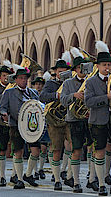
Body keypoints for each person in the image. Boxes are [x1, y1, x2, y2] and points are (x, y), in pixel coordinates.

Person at [85, 41, 111, 196]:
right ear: (97, 66)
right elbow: (88, 101)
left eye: (109, 65)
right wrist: (107, 97)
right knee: (100, 151)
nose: (107, 68)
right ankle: (102, 183)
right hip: (98, 120)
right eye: (104, 65)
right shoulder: (90, 82)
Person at [39, 52, 77, 190]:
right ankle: (56, 179)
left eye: (65, 72)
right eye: (60, 72)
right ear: (55, 72)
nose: (62, 74)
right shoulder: (51, 83)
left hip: (69, 118)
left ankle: (69, 176)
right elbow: (42, 96)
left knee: (74, 147)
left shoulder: (71, 84)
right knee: (56, 150)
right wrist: (58, 95)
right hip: (55, 121)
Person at [0, 66, 40, 189]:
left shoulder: (33, 92)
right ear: (16, 80)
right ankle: (20, 179)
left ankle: (28, 174)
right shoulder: (9, 92)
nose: (23, 80)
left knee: (36, 151)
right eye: (21, 78)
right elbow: (2, 107)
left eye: (25, 78)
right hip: (16, 125)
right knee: (18, 152)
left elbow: (38, 107)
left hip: (32, 126)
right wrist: (4, 114)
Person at [61, 48, 92, 193]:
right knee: (77, 150)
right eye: (79, 67)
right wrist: (74, 95)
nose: (82, 69)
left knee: (94, 148)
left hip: (90, 119)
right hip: (74, 119)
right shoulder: (68, 83)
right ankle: (76, 181)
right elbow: (63, 100)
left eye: (83, 67)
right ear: (75, 69)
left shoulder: (90, 81)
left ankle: (92, 178)